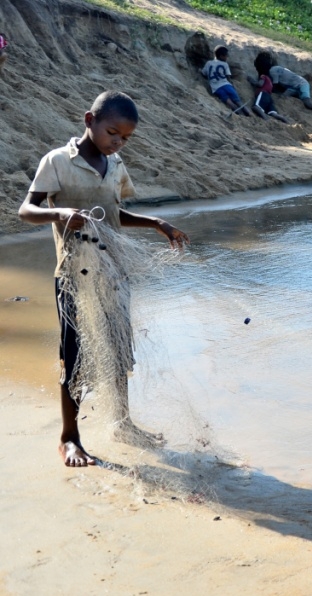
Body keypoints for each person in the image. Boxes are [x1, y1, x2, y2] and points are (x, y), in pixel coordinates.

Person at [17, 91, 189, 467]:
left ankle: (123, 423)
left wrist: (156, 223)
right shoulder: (58, 161)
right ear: (88, 121)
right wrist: (58, 213)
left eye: (126, 138)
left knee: (118, 351)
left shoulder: (116, 165)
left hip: (113, 275)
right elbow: (26, 210)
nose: (118, 142)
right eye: (113, 132)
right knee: (75, 357)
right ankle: (69, 438)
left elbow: (115, 214)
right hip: (74, 276)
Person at [259, 52, 312, 122]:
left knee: (308, 103)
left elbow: (274, 85)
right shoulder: (276, 68)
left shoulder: (272, 71)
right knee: (283, 97)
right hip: (292, 87)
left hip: (301, 84)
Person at [202, 46, 249, 116]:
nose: (227, 57)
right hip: (226, 85)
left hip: (216, 88)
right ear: (221, 56)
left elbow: (204, 73)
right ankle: (249, 114)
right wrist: (232, 85)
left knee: (229, 102)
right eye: (226, 56)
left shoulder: (209, 63)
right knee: (239, 102)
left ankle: (240, 115)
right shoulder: (225, 64)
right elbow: (228, 77)